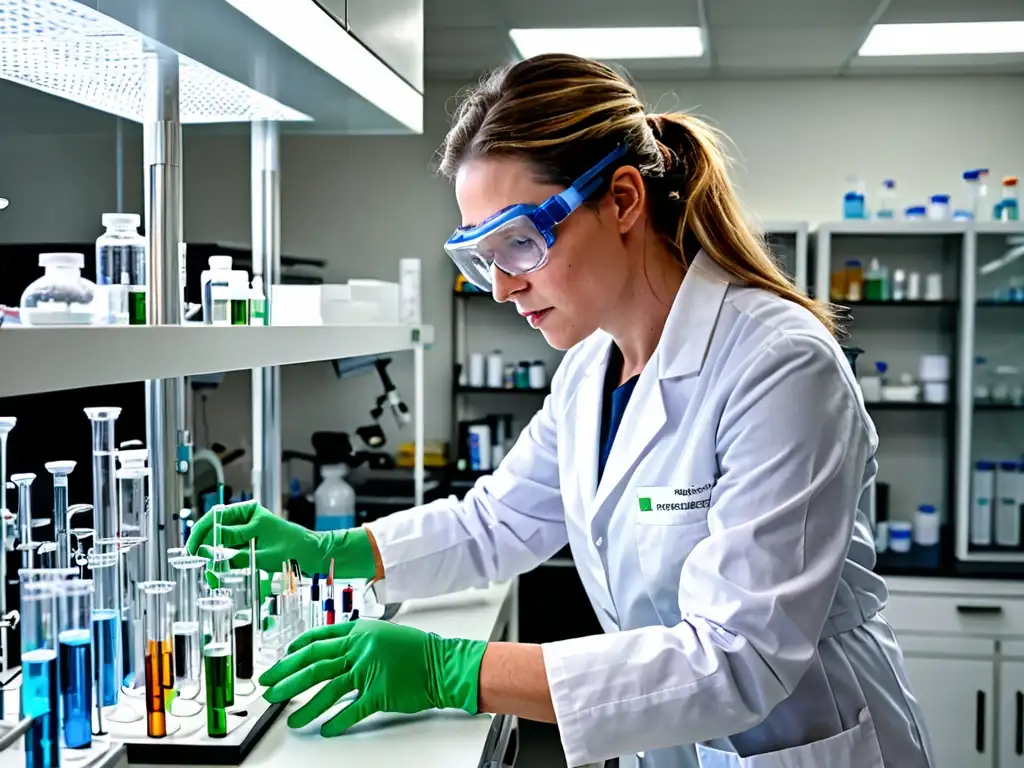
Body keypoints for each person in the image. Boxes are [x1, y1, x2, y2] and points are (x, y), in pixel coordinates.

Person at [187, 54, 935, 768]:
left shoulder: (778, 363)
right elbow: (497, 522)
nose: (503, 288)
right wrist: (335, 552)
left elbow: (739, 658)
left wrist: (458, 672)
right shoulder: (588, 371)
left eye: (520, 243)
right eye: (480, 258)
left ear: (621, 201)